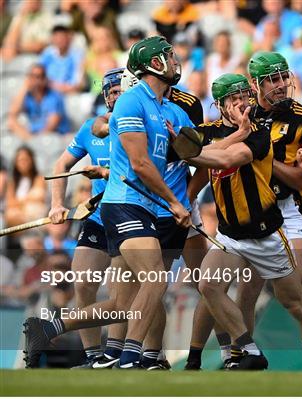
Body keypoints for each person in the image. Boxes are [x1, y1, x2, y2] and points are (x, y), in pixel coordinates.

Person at [23, 36, 192, 369]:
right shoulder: (127, 108)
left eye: (120, 89)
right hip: (123, 205)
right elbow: (135, 160)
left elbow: (173, 155)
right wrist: (174, 201)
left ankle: (53, 330)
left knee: (124, 299)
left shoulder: (162, 110)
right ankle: (125, 357)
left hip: (141, 205)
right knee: (145, 279)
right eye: (169, 56)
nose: (176, 61)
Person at [184, 73, 302, 371]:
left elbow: (223, 160)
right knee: (209, 286)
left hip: (265, 234)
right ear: (220, 105)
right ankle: (247, 349)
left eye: (244, 95)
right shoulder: (208, 131)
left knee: (297, 304)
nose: (242, 102)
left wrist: (195, 151)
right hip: (230, 235)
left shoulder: (257, 135)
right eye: (233, 99)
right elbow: (182, 152)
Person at [46, 68, 122, 368]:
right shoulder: (91, 128)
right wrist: (56, 205)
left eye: (120, 90)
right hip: (98, 218)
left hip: (130, 217)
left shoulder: (136, 125)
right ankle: (94, 358)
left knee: (120, 295)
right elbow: (62, 163)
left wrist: (106, 174)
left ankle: (117, 355)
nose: (116, 96)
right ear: (105, 97)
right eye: (111, 92)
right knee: (83, 283)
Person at [7, 64, 71, 140]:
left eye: (38, 77)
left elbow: (52, 124)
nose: (35, 80)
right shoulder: (28, 96)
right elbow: (13, 113)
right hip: (33, 135)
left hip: (54, 136)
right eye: (31, 76)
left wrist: (37, 141)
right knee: (11, 122)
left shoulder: (54, 97)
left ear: (44, 79)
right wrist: (24, 88)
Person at [4, 146, 47, 227]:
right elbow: (10, 203)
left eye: (26, 160)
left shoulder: (39, 179)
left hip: (33, 216)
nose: (23, 163)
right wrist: (27, 200)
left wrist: (19, 203)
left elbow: (39, 198)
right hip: (17, 215)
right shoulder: (12, 182)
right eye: (20, 160)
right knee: (10, 215)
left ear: (31, 161)